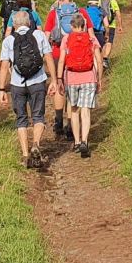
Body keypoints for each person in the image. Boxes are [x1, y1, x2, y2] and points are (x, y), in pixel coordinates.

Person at [0, 8, 60, 169]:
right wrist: (53, 79)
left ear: (14, 24)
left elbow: (4, 66)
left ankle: (25, 155)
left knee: (21, 119)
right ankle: (36, 144)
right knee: (38, 116)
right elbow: (48, 58)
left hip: (17, 84)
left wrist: (2, 89)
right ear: (30, 22)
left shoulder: (8, 41)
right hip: (37, 81)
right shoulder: (38, 36)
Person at [43, 0, 91, 140]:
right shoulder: (81, 12)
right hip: (78, 56)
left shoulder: (53, 13)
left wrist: (47, 55)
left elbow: (46, 36)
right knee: (71, 90)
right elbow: (90, 34)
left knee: (59, 86)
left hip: (58, 54)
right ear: (71, 0)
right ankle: (71, 124)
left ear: (59, 0)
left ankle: (58, 121)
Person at [57, 10, 105, 158]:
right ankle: (85, 140)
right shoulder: (92, 39)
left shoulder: (66, 39)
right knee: (86, 111)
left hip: (72, 78)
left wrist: (59, 79)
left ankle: (77, 142)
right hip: (89, 78)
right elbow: (99, 60)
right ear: (84, 26)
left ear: (72, 25)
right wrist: (99, 78)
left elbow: (61, 61)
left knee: (74, 110)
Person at [100, 0, 121, 69]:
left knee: (102, 42)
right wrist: (120, 25)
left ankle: (100, 58)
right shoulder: (113, 2)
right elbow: (118, 14)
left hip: (101, 26)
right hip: (111, 25)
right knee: (109, 41)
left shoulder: (99, 2)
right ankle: (105, 58)